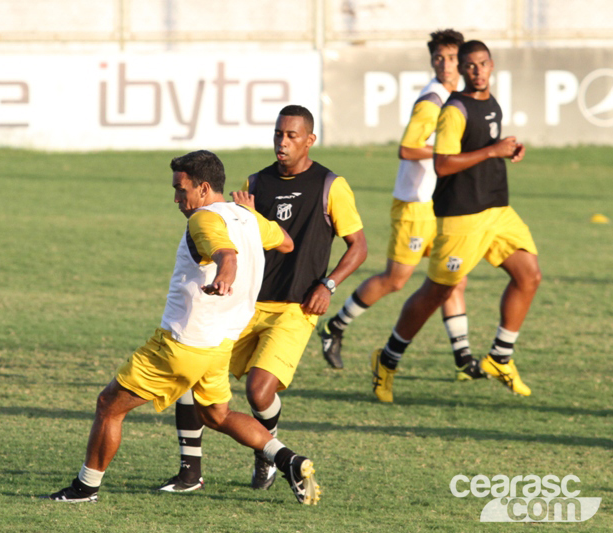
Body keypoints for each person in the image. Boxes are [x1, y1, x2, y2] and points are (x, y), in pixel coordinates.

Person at [47, 150, 322, 505]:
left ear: (204, 188)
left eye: (181, 189)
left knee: (109, 405)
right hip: (220, 345)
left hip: (183, 344)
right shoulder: (248, 218)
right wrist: (251, 217)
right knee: (217, 415)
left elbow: (227, 255)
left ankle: (84, 489)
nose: (176, 198)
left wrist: (225, 276)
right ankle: (289, 460)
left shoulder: (203, 219)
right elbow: (286, 241)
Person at [159, 105, 366, 493]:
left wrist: (330, 285)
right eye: (277, 135)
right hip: (248, 304)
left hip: (296, 307)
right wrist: (248, 216)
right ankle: (190, 474)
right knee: (191, 369)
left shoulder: (330, 185)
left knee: (258, 389)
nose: (282, 143)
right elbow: (242, 234)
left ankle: (266, 455)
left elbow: (359, 246)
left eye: (291, 136)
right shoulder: (255, 182)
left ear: (310, 139)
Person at [370, 40, 541, 403]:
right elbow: (444, 164)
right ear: (462, 70)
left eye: (483, 64)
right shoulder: (454, 110)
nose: (477, 71)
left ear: (492, 65)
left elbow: (483, 148)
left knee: (529, 275)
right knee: (438, 292)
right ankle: (387, 360)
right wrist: (493, 150)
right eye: (470, 66)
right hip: (461, 217)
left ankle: (500, 356)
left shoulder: (490, 103)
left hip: (497, 209)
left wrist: (507, 150)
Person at [319, 29, 484, 382]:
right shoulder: (433, 99)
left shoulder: (458, 96)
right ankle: (335, 326)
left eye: (451, 57)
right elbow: (408, 149)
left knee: (454, 277)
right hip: (415, 205)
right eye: (438, 58)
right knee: (396, 280)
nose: (445, 64)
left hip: (439, 205)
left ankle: (464, 357)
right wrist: (453, 155)